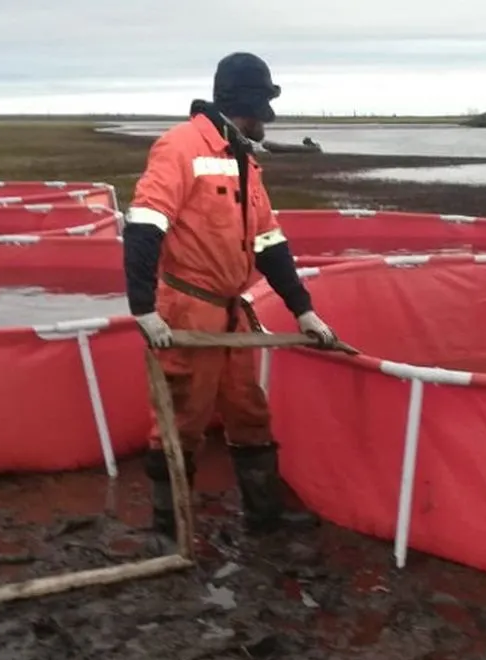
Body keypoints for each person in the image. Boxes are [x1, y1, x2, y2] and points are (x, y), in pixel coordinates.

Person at [122, 52, 338, 545]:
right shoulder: (178, 148)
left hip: (232, 311)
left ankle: (265, 517)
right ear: (248, 105)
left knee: (248, 409)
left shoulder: (245, 160)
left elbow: (269, 244)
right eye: (264, 107)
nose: (267, 119)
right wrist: (144, 309)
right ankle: (168, 525)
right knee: (182, 414)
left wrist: (302, 309)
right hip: (188, 309)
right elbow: (145, 225)